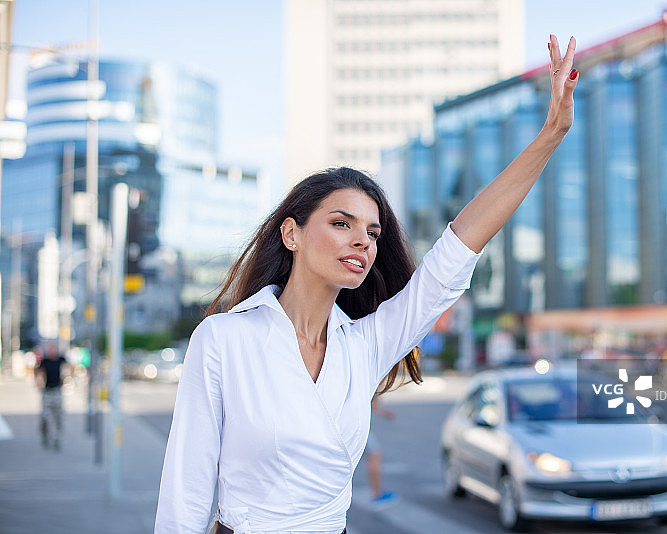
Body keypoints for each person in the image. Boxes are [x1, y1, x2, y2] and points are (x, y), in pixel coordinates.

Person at [155, 34, 578, 534]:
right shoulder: (224, 339)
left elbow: (459, 248)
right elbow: (185, 490)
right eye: (341, 223)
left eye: (373, 233)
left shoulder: (365, 344)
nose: (363, 241)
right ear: (292, 234)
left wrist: (550, 135)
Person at [34, 341, 69, 451]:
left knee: (58, 416)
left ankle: (56, 439)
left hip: (57, 391)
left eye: (53, 348)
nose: (52, 351)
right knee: (46, 416)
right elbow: (38, 371)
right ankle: (45, 436)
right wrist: (38, 382)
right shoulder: (45, 361)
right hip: (47, 391)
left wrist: (66, 378)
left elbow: (68, 368)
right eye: (50, 349)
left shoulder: (61, 359)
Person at [365, 395, 396, 508]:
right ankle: (377, 494)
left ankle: (377, 493)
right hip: (357, 426)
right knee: (374, 454)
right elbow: (370, 402)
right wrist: (383, 412)